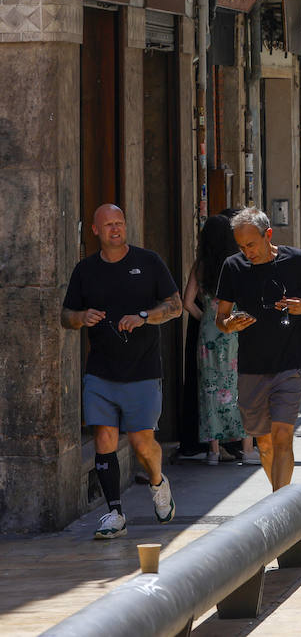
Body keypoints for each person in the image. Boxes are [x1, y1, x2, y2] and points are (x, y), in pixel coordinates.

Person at [61, 204, 183, 539]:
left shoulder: (148, 262)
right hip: (100, 369)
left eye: (120, 223)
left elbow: (175, 306)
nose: (115, 229)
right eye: (108, 225)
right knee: (104, 438)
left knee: (143, 443)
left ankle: (157, 483)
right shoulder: (85, 270)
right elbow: (66, 315)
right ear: (95, 231)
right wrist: (81, 317)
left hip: (143, 368)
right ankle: (115, 513)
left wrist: (144, 317)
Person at [215, 207, 301, 491]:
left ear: (268, 235)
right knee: (264, 443)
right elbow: (221, 318)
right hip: (252, 367)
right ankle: (277, 497)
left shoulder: (295, 259)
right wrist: (230, 325)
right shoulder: (233, 267)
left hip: (289, 363)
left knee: (282, 437)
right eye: (241, 247)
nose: (247, 252)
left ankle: (280, 505)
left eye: (251, 244)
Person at [183, 213, 248, 465]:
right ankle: (245, 446)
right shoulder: (238, 263)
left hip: (208, 333)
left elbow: (187, 302)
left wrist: (207, 320)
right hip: (234, 330)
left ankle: (213, 450)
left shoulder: (200, 266)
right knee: (237, 384)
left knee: (209, 387)